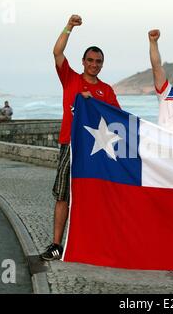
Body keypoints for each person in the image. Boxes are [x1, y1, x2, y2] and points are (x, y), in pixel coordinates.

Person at [40, 14, 121, 261]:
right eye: (90, 60)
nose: (94, 64)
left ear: (102, 65)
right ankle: (56, 244)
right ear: (83, 62)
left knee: (93, 196)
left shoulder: (106, 90)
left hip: (96, 150)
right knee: (63, 194)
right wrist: (69, 27)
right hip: (70, 146)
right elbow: (56, 52)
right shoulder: (71, 79)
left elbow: (118, 120)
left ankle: (92, 243)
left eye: (98, 61)